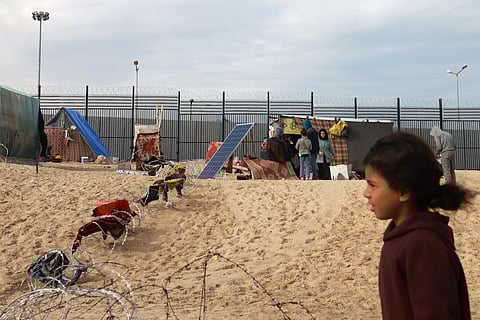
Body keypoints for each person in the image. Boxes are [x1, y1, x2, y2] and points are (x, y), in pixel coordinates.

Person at [363, 132, 476, 320]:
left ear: (404, 191)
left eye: (372, 185)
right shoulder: (400, 237)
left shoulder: (423, 247)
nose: (366, 193)